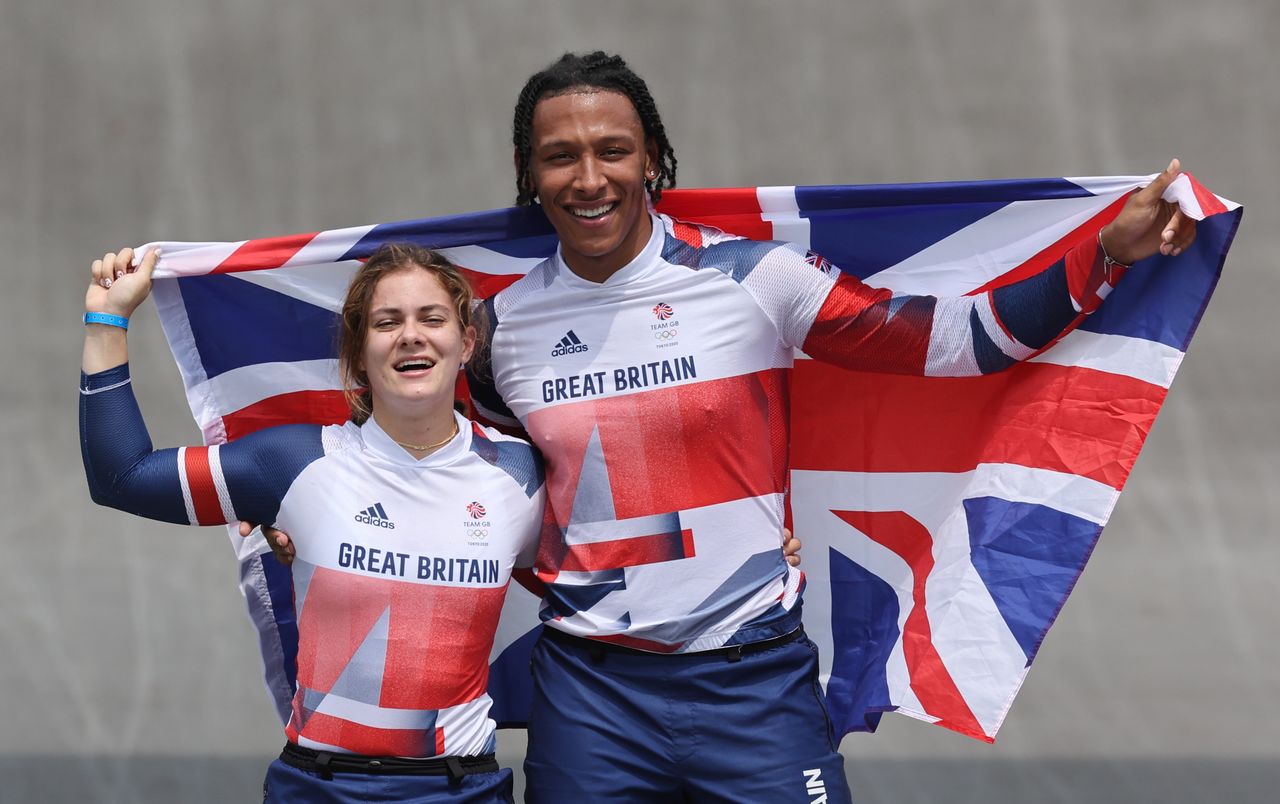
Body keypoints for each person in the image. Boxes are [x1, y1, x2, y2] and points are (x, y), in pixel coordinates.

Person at [262, 52, 1197, 803]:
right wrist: (317, 514)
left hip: (755, 684)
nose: (589, 178)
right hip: (592, 695)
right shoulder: (498, 331)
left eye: (613, 150)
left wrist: (1100, 255)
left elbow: (952, 345)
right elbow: (472, 479)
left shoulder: (759, 279)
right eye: (560, 156)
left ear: (654, 161)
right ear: (528, 174)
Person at [80, 243, 544, 803]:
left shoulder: (521, 475)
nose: (411, 335)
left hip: (461, 789)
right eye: (386, 322)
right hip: (318, 787)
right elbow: (122, 476)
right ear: (358, 352)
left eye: (433, 318)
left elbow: (599, 588)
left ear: (467, 341)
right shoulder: (294, 463)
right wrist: (107, 319)